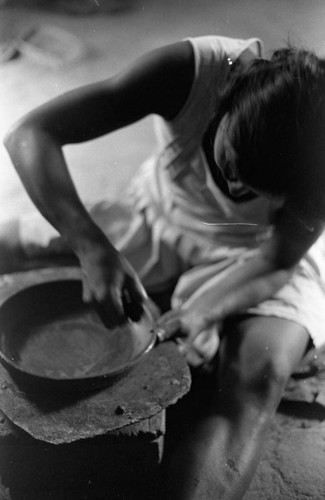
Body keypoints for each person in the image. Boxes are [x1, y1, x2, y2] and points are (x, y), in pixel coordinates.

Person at [2, 34, 325, 499]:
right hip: (162, 214)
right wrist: (91, 246)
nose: (234, 188)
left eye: (257, 189)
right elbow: (30, 133)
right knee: (11, 242)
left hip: (256, 253)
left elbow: (278, 259)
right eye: (232, 161)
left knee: (259, 376)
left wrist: (205, 309)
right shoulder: (192, 71)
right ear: (229, 98)